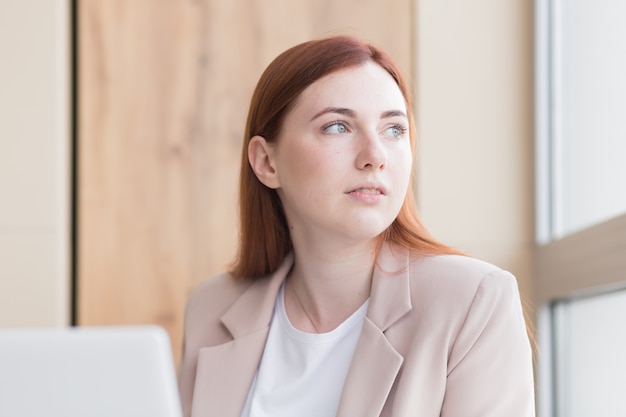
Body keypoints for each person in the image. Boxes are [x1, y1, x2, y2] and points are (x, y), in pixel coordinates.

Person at [178, 35, 535, 417]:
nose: (375, 156)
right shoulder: (212, 306)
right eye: (337, 127)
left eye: (394, 130)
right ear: (267, 162)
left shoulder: (473, 300)